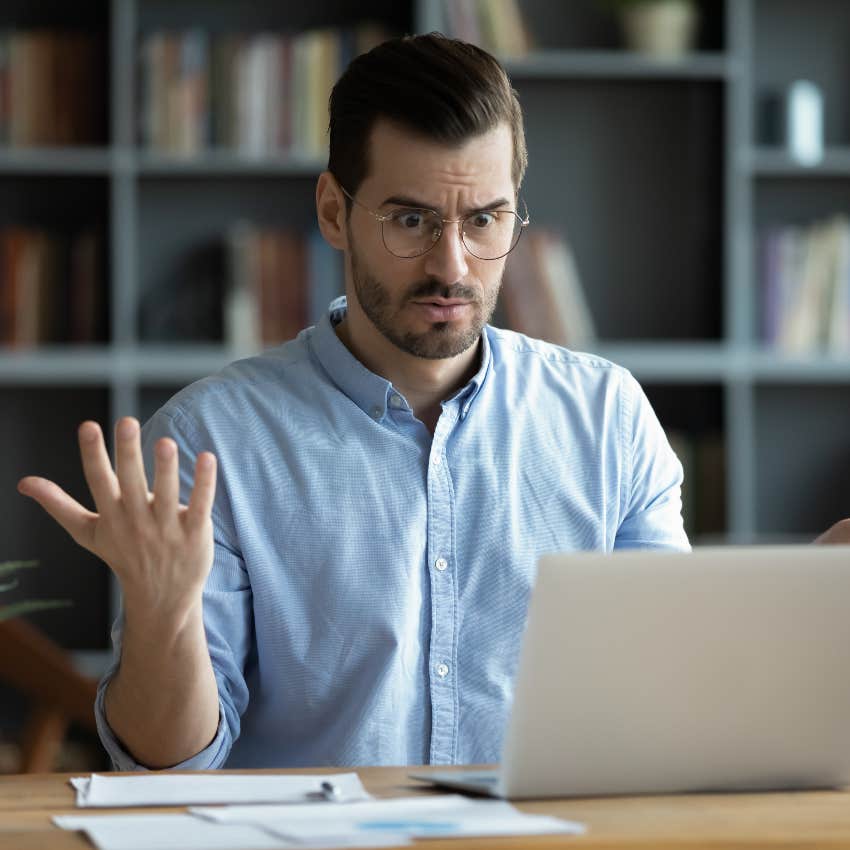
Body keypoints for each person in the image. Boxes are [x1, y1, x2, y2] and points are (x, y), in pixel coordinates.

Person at [17, 34, 850, 771]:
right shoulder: (209, 442)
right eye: (410, 220)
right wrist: (163, 616)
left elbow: (668, 699)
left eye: (485, 219)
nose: (452, 264)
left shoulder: (606, 418)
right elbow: (167, 769)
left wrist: (786, 620)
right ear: (333, 212)